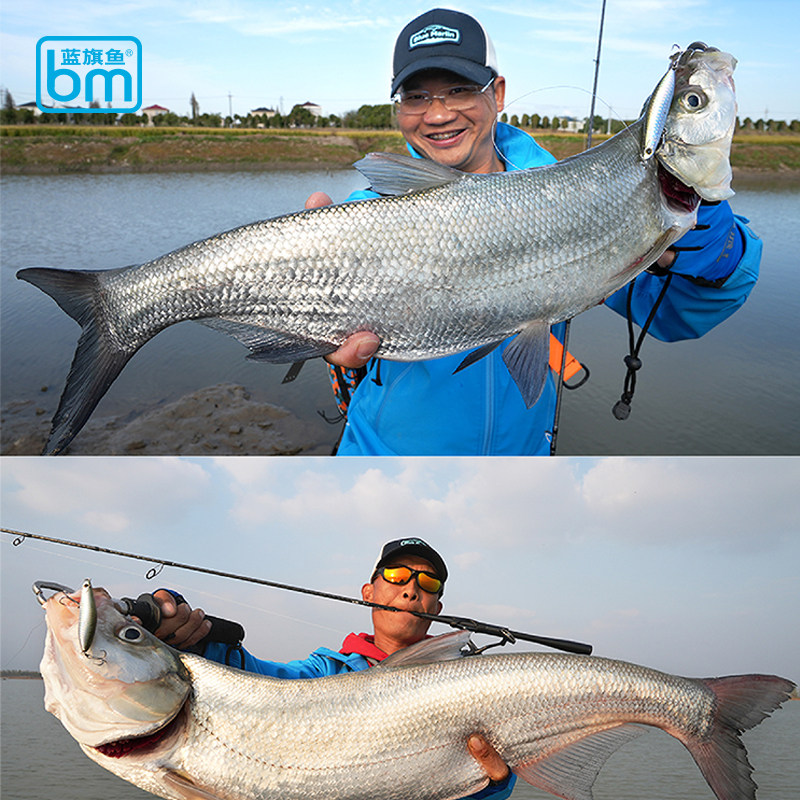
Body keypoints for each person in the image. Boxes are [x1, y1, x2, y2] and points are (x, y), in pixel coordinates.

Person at [306, 8, 762, 456]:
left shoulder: (582, 199)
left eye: (459, 89)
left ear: (497, 93)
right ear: (399, 109)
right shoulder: (361, 220)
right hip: (381, 457)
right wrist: (311, 327)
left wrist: (714, 253)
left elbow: (675, 316)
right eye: (416, 97)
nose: (438, 114)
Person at [149, 538, 516, 800]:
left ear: (436, 608)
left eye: (428, 582)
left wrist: (491, 789)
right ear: (367, 592)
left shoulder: (469, 682)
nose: (410, 590)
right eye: (395, 575)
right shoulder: (322, 672)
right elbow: (257, 680)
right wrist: (186, 629)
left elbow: (503, 770)